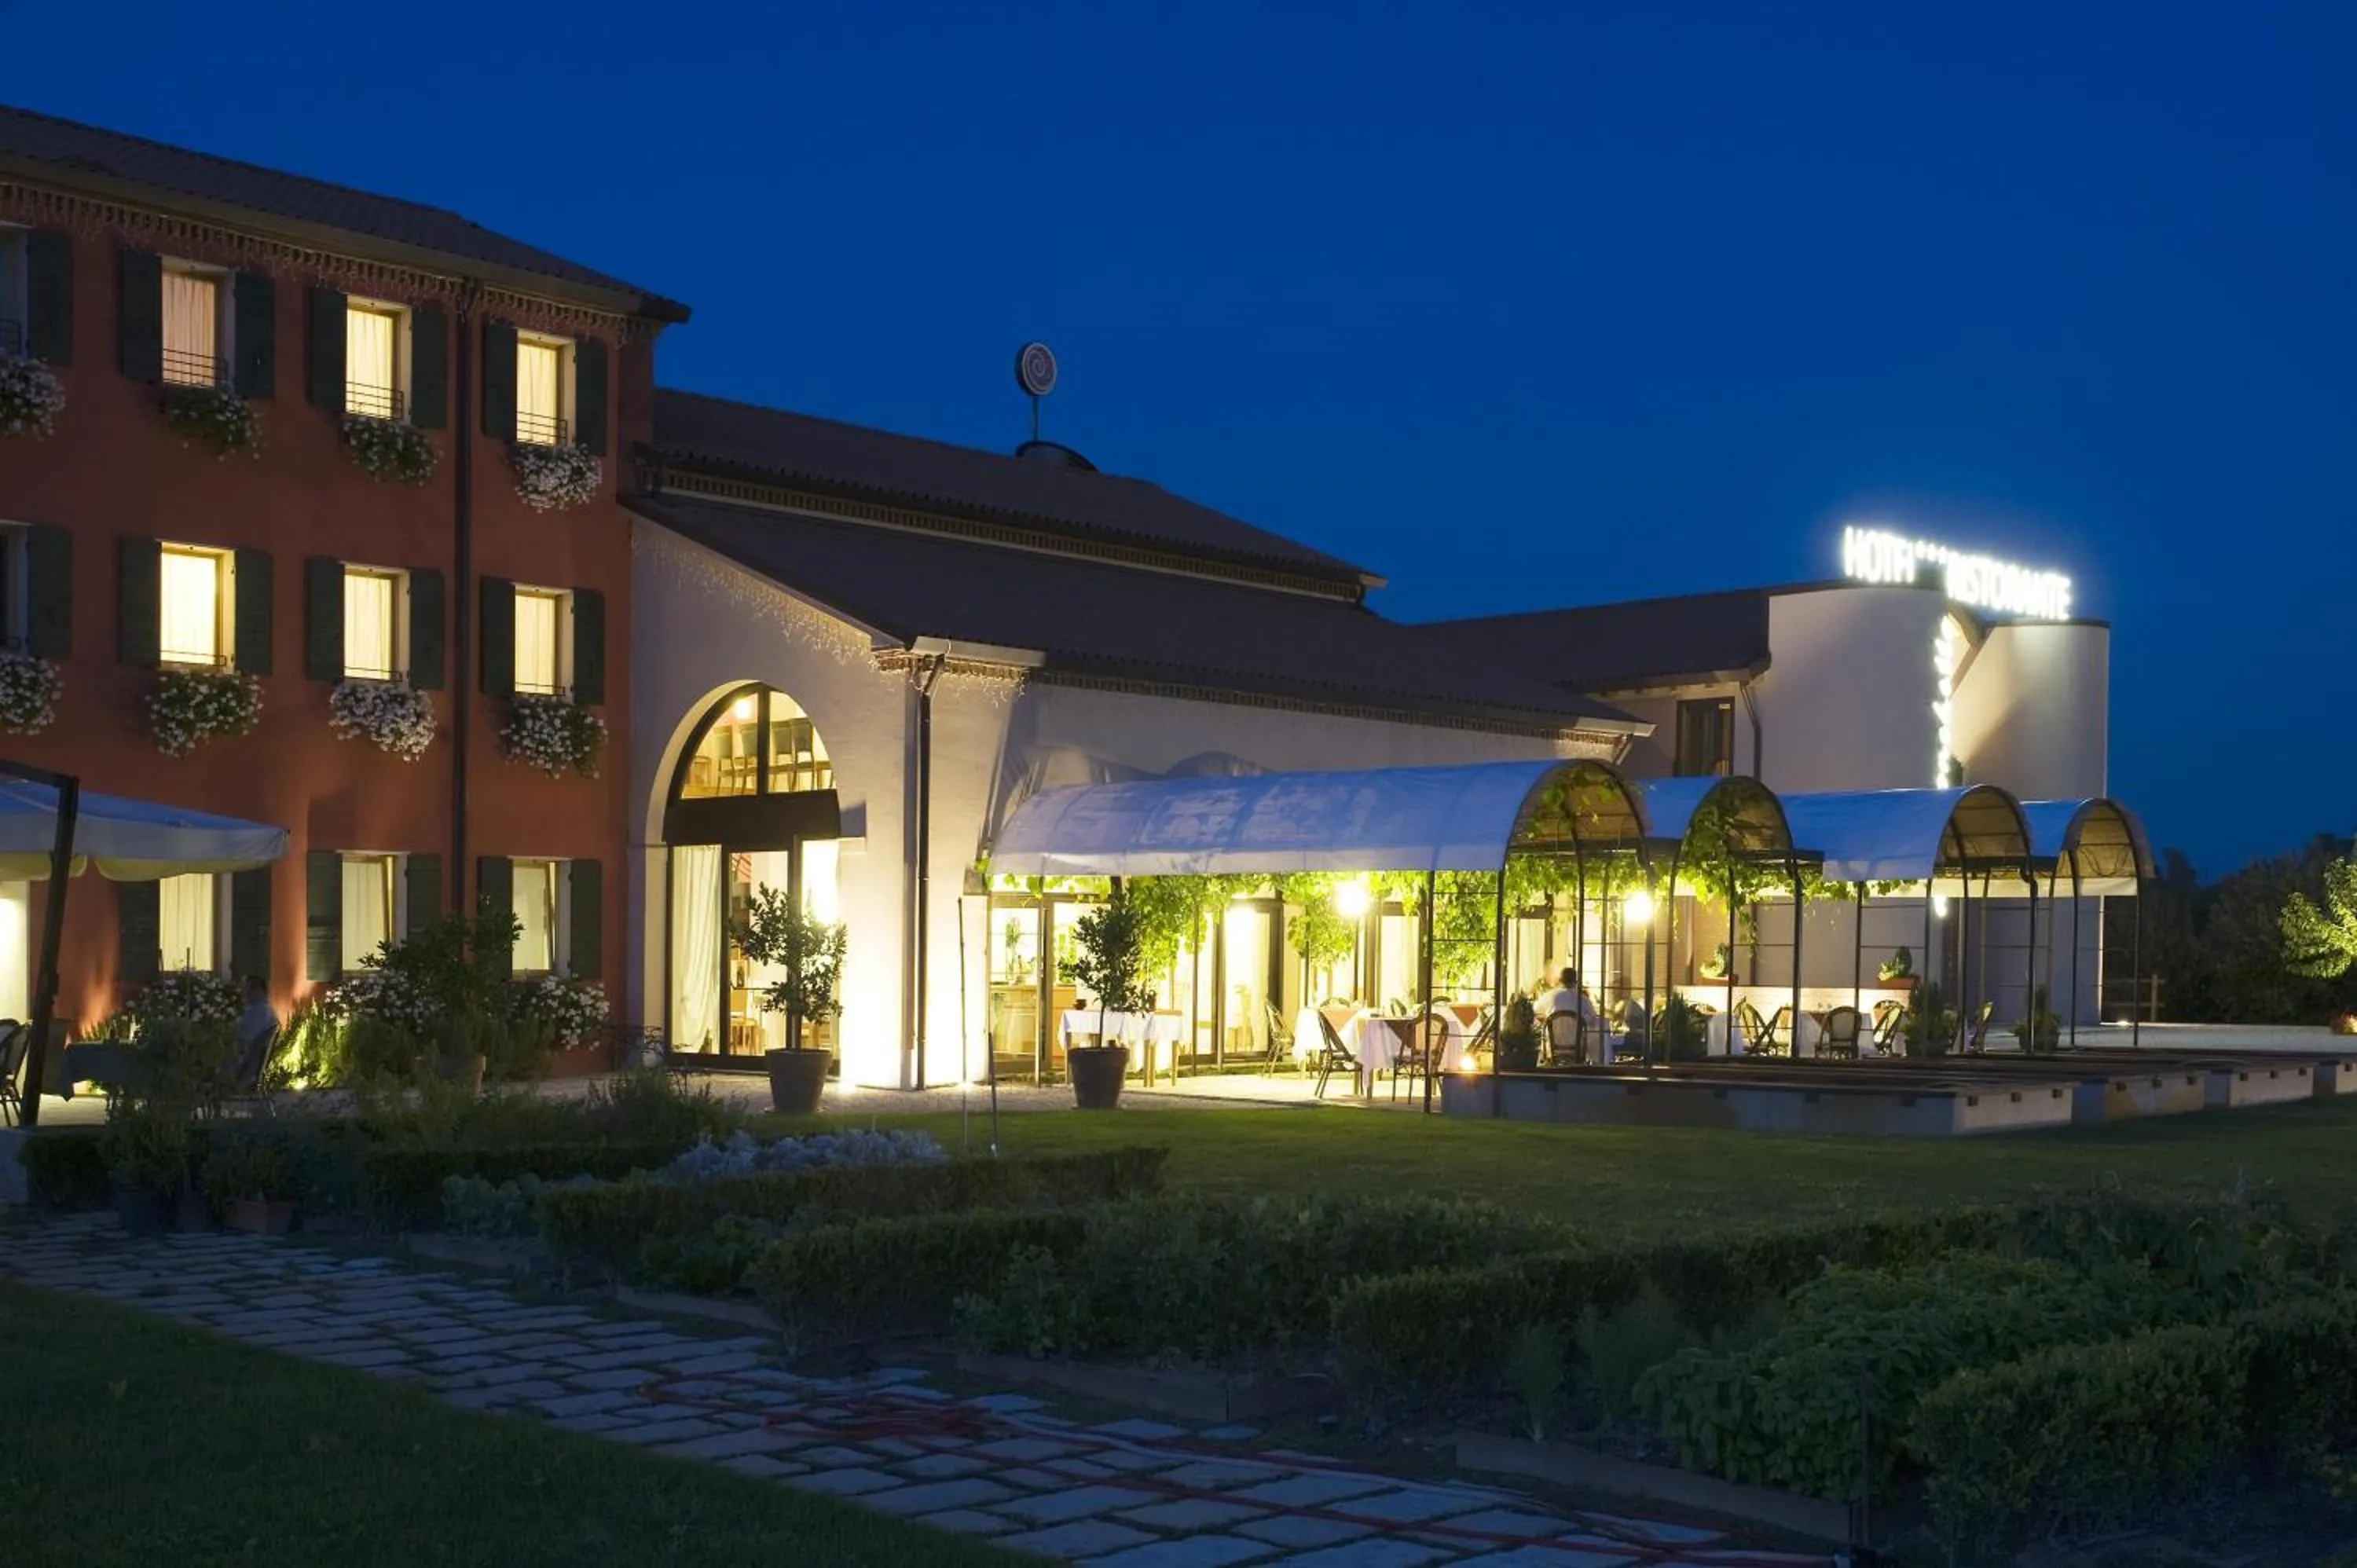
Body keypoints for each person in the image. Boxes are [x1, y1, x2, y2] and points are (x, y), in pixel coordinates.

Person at [233, 974, 278, 1087]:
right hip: (247, 1062)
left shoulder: (259, 1012)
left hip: (242, 1066)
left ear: (258, 990)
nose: (243, 994)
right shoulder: (263, 1011)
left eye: (246, 990)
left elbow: (242, 1039)